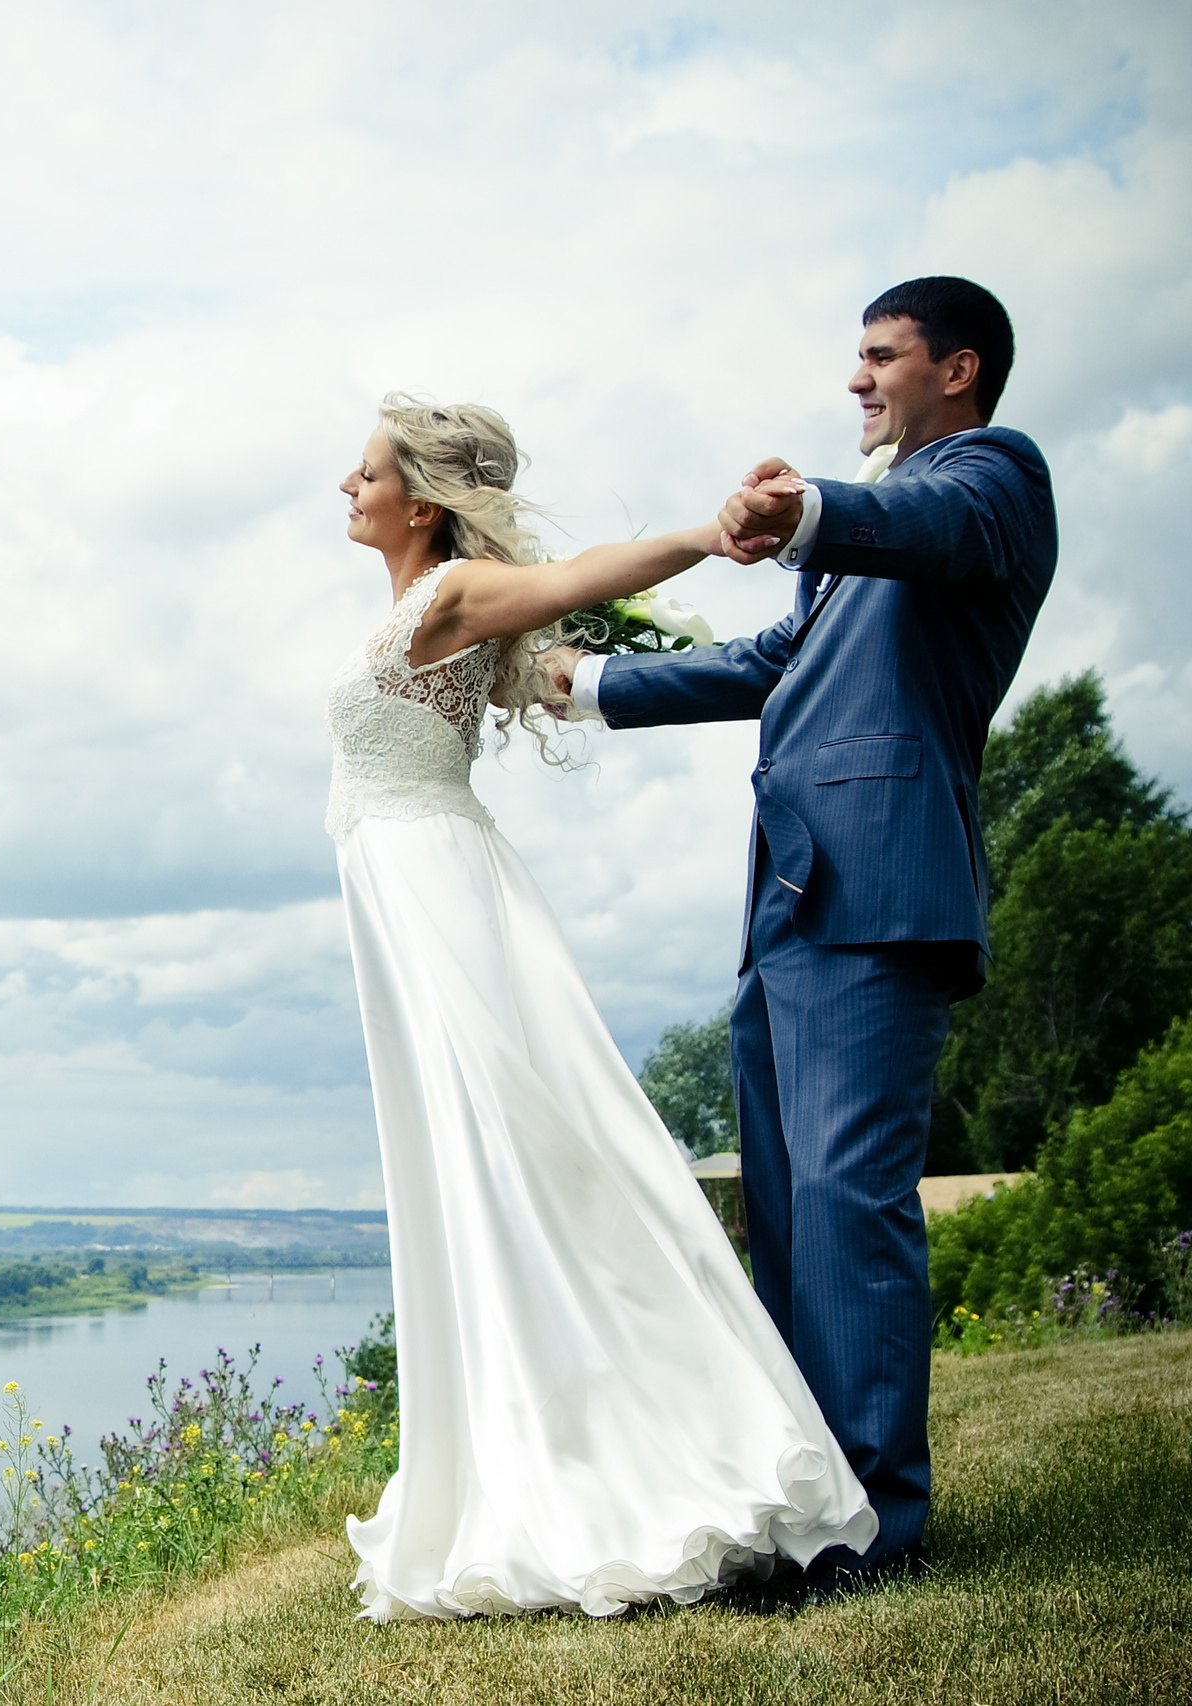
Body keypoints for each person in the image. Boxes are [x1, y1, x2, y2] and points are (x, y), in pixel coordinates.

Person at [328, 394, 876, 1622]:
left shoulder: (453, 595)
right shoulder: (419, 607)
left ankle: (651, 1443)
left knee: (525, 1151)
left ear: (421, 499)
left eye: (361, 472)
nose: (344, 489)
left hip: (437, 891)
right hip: (408, 894)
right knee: (476, 1164)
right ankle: (526, 1432)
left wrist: (701, 537)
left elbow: (580, 573)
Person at [548, 278, 1057, 1590]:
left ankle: (877, 1523)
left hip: (883, 900)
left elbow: (916, 518)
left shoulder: (992, 481)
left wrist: (812, 509)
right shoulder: (864, 545)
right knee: (786, 1214)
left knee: (848, 1202)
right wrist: (588, 683)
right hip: (791, 895)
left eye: (880, 357)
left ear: (960, 367)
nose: (857, 381)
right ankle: (808, 1497)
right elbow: (777, 662)